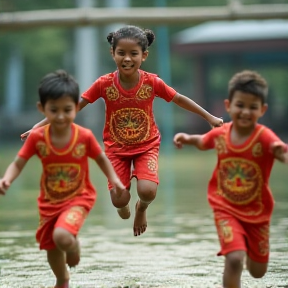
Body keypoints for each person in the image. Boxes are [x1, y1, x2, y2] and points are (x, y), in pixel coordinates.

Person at [20, 25, 223, 237]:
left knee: (147, 191)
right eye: (121, 53)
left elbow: (179, 99)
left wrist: (209, 117)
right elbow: (75, 105)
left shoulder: (152, 82)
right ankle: (124, 205)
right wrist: (39, 126)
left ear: (143, 56)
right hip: (116, 149)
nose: (127, 59)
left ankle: (141, 209)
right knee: (119, 198)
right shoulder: (104, 84)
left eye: (133, 54)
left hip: (147, 146)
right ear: (112, 53)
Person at [0, 70, 125, 288]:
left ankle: (74, 244)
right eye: (53, 110)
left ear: (76, 108)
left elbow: (101, 158)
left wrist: (114, 179)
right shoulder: (38, 138)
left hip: (79, 198)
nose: (60, 116)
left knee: (61, 237)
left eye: (67, 110)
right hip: (49, 202)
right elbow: (19, 162)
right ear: (42, 109)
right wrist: (7, 179)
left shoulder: (83, 136)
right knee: (51, 246)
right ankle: (62, 279)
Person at [173, 70, 288, 288]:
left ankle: (246, 243)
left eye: (252, 107)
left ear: (262, 110)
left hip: (258, 212)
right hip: (225, 208)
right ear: (228, 106)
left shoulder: (264, 137)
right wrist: (186, 138)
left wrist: (281, 153)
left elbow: (281, 152)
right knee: (234, 260)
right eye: (240, 105)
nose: (245, 112)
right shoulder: (221, 134)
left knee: (258, 272)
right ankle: (236, 245)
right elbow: (203, 141)